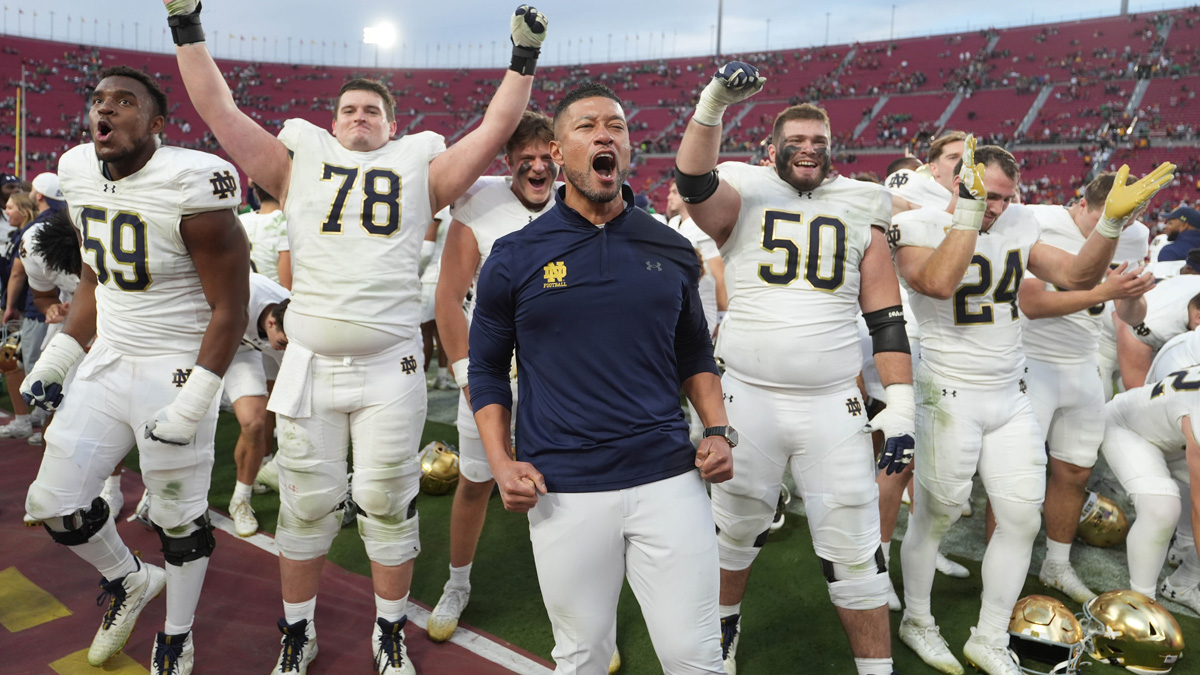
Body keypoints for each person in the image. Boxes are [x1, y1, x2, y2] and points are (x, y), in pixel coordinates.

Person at [165, 2, 548, 672]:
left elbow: (496, 127)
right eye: (349, 110)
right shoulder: (293, 166)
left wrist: (522, 58)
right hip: (310, 362)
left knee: (387, 502)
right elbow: (219, 109)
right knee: (307, 503)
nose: (360, 118)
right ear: (332, 120)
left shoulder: (421, 170)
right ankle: (296, 627)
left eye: (372, 110)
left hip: (389, 366)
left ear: (394, 125)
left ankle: (391, 626)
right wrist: (186, 26)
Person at [470, 81, 733, 675]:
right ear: (558, 153)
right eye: (587, 126)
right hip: (564, 485)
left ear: (629, 148)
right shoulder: (513, 256)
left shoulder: (670, 248)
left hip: (668, 476)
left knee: (695, 655)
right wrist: (500, 460)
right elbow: (486, 368)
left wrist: (719, 428)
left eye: (615, 126)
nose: (604, 135)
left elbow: (693, 349)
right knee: (583, 655)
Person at [889, 138, 1171, 675]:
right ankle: (918, 620)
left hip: (1009, 390)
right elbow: (936, 281)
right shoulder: (919, 224)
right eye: (987, 196)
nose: (996, 207)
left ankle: (989, 635)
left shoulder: (1018, 221)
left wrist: (1108, 226)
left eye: (1004, 197)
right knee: (937, 515)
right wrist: (969, 215)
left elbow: (1079, 276)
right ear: (961, 183)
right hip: (947, 388)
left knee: (1020, 519)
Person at [676, 62, 914, 675]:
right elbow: (693, 179)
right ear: (772, 149)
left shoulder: (863, 200)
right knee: (735, 530)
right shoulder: (744, 188)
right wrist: (713, 104)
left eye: (819, 142)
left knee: (857, 550)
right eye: (796, 141)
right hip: (748, 396)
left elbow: (886, 315)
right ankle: (722, 634)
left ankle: (876, 669)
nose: (808, 150)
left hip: (832, 401)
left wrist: (903, 403)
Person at [22, 65, 249, 675]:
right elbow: (97, 274)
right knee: (53, 502)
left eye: (125, 102)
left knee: (177, 515)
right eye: (98, 99)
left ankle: (177, 636)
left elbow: (231, 306)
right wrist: (62, 354)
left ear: (156, 124)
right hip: (109, 359)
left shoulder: (192, 184)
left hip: (174, 364)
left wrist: (198, 396)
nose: (107, 110)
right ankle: (128, 580)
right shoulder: (76, 172)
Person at [426, 111, 558, 641]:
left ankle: (572, 606)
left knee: (565, 490)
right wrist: (466, 376)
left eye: (546, 155)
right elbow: (448, 299)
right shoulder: (480, 202)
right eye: (525, 156)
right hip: (494, 375)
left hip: (563, 381)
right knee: (477, 482)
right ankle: (458, 582)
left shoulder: (581, 203)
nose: (537, 165)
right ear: (507, 162)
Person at [1017, 173, 1155, 605]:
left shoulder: (1132, 235)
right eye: (1106, 221)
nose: (1112, 231)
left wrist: (1130, 294)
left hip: (1082, 364)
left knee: (1075, 471)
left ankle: (1056, 564)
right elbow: (1033, 303)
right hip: (1029, 360)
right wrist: (1103, 288)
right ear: (1083, 205)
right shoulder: (1038, 220)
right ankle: (1008, 565)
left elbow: (1131, 315)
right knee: (1017, 475)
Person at [222, 272, 290, 536]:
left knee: (255, 423)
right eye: (283, 342)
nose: (284, 348)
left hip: (242, 350)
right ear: (271, 322)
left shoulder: (290, 315)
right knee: (180, 421)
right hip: (197, 343)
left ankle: (241, 499)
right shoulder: (241, 291)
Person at [239, 181, 291, 289]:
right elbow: (287, 286)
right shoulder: (284, 222)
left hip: (244, 298)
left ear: (256, 193)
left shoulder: (240, 221)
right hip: (275, 300)